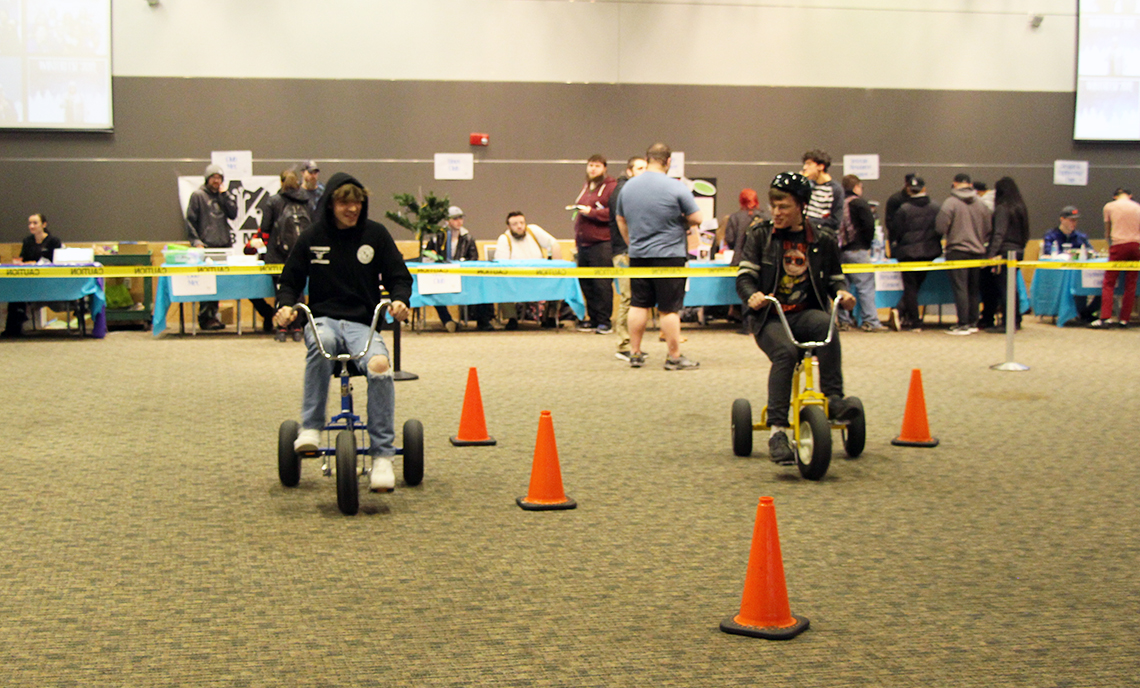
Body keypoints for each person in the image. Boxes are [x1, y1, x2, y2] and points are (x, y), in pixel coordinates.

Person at [273, 172, 413, 492]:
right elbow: (291, 279)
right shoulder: (312, 236)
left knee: (380, 367)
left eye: (357, 202)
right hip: (324, 319)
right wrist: (285, 305)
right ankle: (310, 428)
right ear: (331, 204)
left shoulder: (375, 235)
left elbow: (399, 277)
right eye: (344, 202)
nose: (352, 209)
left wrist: (400, 301)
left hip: (363, 324)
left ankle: (381, 458)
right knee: (321, 343)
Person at [735, 172, 858, 463]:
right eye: (773, 205)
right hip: (770, 317)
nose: (776, 212)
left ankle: (835, 399)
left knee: (826, 326)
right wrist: (752, 295)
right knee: (786, 353)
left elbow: (836, 279)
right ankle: (777, 430)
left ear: (801, 206)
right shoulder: (760, 235)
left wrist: (843, 292)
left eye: (784, 206)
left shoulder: (823, 240)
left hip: (805, 314)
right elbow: (745, 277)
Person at [615, 142, 702, 370]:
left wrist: (631, 242)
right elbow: (698, 218)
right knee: (669, 308)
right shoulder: (676, 187)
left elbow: (620, 220)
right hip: (669, 256)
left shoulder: (628, 187)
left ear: (648, 158)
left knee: (638, 304)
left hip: (638, 255)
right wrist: (680, 219)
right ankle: (674, 357)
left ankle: (634, 353)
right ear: (668, 161)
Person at [252, 169, 311, 336]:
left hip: (277, 255)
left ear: (281, 182)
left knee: (282, 290)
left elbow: (265, 229)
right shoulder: (306, 201)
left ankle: (282, 326)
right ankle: (298, 326)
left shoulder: (273, 202)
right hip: (300, 253)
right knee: (298, 290)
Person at [935, 173, 992, 335]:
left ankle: (962, 323)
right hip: (977, 251)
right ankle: (973, 321)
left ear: (954, 184)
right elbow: (988, 228)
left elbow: (940, 227)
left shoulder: (950, 203)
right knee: (974, 288)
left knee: (960, 288)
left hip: (957, 251)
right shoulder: (981, 204)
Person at [185, 163, 238, 330]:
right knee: (207, 283)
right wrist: (196, 242)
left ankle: (214, 315)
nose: (216, 181)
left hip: (223, 244)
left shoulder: (223, 196)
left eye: (219, 178)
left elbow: (233, 214)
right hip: (206, 246)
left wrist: (225, 196)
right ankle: (205, 317)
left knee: (220, 283)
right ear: (207, 178)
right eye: (214, 177)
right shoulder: (198, 196)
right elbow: (190, 221)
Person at [424, 206, 494, 331]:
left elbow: (474, 258)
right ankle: (447, 320)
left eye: (460, 218)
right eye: (455, 219)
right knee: (431, 289)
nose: (459, 221)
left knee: (482, 285)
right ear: (447, 221)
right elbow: (428, 255)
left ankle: (483, 321)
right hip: (442, 275)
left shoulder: (468, 238)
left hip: (463, 275)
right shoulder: (437, 237)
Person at [570, 154, 617, 333]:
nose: (593, 169)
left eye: (597, 166)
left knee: (602, 283)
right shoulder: (586, 187)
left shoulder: (611, 187)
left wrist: (592, 212)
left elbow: (613, 213)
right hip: (584, 243)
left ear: (604, 168)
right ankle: (593, 318)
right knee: (587, 282)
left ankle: (605, 321)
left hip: (602, 244)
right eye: (590, 165)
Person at [888, 176, 942, 331]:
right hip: (929, 253)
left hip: (908, 253)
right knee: (916, 285)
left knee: (911, 287)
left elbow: (896, 231)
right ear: (924, 189)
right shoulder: (936, 207)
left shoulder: (903, 209)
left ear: (909, 190)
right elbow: (939, 229)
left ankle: (913, 321)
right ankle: (899, 311)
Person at [494, 211, 564, 330]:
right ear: (508, 226)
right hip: (515, 281)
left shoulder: (534, 231)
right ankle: (512, 319)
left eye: (522, 222)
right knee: (502, 283)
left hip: (539, 278)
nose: (520, 226)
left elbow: (553, 244)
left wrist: (557, 266)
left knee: (560, 281)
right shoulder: (504, 239)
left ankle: (550, 317)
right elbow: (501, 265)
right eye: (515, 224)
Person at [607, 155, 647, 360]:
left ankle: (631, 343)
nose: (644, 171)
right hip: (624, 251)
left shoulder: (629, 189)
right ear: (629, 171)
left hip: (631, 251)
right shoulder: (623, 191)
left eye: (646, 168)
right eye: (639, 168)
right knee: (628, 297)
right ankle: (623, 344)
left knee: (634, 298)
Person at [837, 174, 886, 332]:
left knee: (842, 288)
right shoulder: (860, 203)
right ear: (856, 187)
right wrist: (866, 244)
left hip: (839, 252)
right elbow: (869, 226)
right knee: (865, 287)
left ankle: (843, 321)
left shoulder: (837, 204)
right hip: (858, 250)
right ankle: (870, 321)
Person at [979, 177, 1030, 331]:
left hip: (1004, 252)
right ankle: (1016, 320)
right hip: (1018, 251)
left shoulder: (1002, 208)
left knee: (1003, 289)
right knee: (1011, 288)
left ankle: (1008, 323)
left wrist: (991, 254)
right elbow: (1026, 233)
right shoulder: (1021, 207)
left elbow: (999, 233)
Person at [2, 213, 63, 338]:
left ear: (44, 225)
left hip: (48, 281)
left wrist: (37, 263)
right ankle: (13, 328)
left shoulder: (54, 241)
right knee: (15, 292)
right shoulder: (27, 241)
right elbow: (23, 259)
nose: (31, 226)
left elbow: (57, 262)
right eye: (30, 223)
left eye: (35, 223)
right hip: (29, 279)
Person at [1091, 188, 1140, 328]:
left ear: (1114, 196)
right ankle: (1125, 319)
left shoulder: (1109, 206)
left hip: (1119, 245)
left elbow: (1107, 230)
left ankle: (1106, 317)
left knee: (1109, 282)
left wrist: (1110, 245)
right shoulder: (1138, 208)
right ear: (1130, 196)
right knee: (1131, 284)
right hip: (1136, 246)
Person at [800, 149, 844, 232]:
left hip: (824, 236)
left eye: (809, 164)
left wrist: (810, 221)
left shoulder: (835, 189)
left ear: (821, 166)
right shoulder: (808, 186)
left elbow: (836, 221)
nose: (805, 168)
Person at [883, 172, 918, 240]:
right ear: (906, 185)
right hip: (899, 240)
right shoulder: (895, 200)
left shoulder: (917, 199)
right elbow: (890, 223)